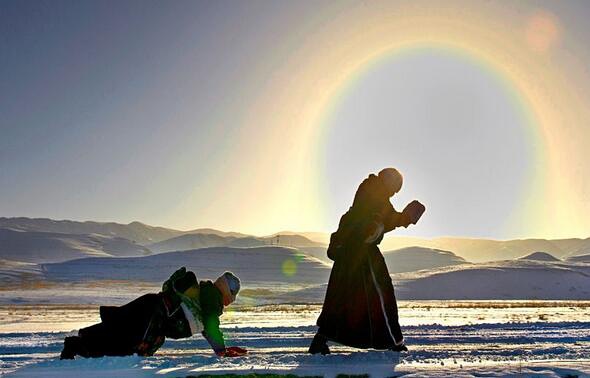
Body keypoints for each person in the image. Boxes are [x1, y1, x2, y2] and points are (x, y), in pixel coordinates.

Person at [309, 168, 425, 355]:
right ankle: (393, 342)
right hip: (363, 255)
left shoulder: (370, 193)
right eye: (395, 187)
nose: (394, 192)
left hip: (349, 256)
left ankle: (320, 340)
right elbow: (380, 220)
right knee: (381, 293)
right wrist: (405, 218)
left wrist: (402, 219)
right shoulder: (374, 193)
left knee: (343, 298)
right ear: (391, 182)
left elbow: (381, 220)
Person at [60, 268, 247, 359]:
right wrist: (222, 350)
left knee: (123, 334)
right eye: (233, 294)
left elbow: (207, 327)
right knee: (129, 345)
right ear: (228, 292)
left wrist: (221, 348)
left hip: (155, 310)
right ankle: (76, 345)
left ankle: (79, 341)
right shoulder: (212, 297)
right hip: (155, 312)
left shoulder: (207, 295)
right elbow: (210, 322)